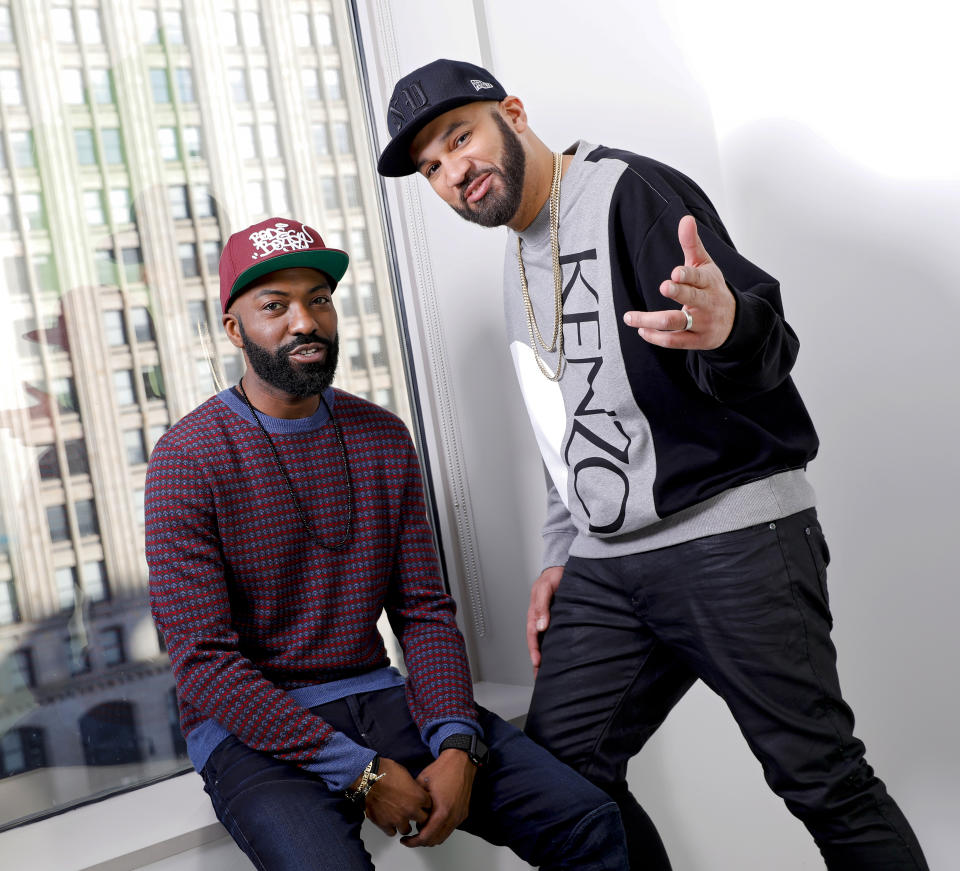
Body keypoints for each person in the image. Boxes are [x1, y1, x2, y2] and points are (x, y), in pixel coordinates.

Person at [376, 58, 929, 871]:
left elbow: (767, 338)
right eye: (431, 167)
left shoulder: (629, 192)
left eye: (461, 138)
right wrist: (562, 552)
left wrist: (731, 325)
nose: (455, 171)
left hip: (729, 532)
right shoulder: (515, 256)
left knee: (822, 780)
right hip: (610, 564)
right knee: (559, 782)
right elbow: (563, 426)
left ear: (513, 113)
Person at [145, 216, 628, 871]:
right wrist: (360, 772)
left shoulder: (380, 436)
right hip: (250, 727)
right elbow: (204, 666)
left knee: (585, 818)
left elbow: (424, 611)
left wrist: (458, 741)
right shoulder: (188, 457)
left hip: (380, 695)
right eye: (275, 306)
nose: (305, 322)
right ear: (234, 330)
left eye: (319, 299)